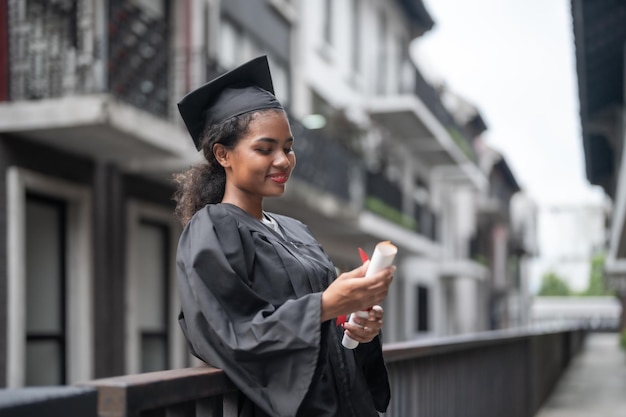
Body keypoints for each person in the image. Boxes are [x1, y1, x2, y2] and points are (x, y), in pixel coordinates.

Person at [174, 55, 394, 417]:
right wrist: (326, 304)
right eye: (265, 149)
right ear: (223, 154)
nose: (283, 160)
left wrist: (355, 325)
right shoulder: (212, 228)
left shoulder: (296, 229)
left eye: (288, 148)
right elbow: (230, 334)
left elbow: (326, 333)